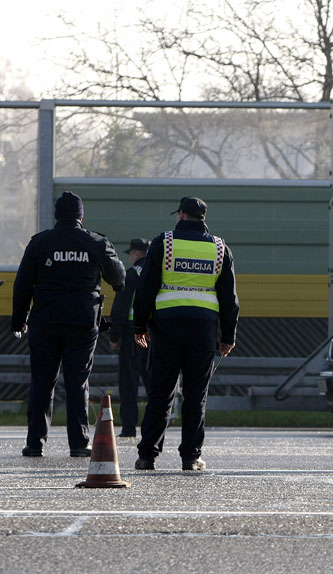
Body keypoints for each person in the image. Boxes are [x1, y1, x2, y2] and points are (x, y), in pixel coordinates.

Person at [11, 191, 126, 457]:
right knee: (77, 382)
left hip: (45, 323)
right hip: (82, 324)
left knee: (42, 381)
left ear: (56, 216)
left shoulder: (40, 243)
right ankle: (79, 443)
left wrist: (19, 321)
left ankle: (35, 443)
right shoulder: (96, 241)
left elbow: (22, 285)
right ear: (81, 216)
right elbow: (119, 277)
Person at [132, 196, 239, 472]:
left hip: (167, 327)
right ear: (203, 218)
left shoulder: (164, 243)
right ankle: (190, 457)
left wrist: (139, 326)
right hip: (203, 331)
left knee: (161, 392)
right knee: (195, 395)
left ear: (180, 215)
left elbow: (146, 288)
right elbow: (229, 298)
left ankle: (147, 456)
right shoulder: (219, 248)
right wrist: (228, 336)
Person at [108, 238, 151, 438]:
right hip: (154, 334)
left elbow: (120, 309)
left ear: (136, 254)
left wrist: (114, 336)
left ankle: (129, 428)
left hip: (134, 334)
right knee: (154, 382)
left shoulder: (132, 274)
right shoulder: (158, 273)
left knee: (129, 382)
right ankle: (155, 426)